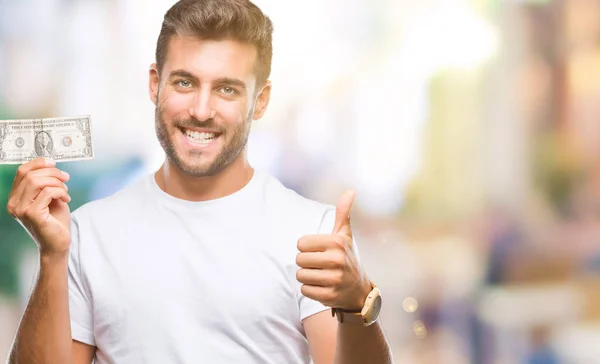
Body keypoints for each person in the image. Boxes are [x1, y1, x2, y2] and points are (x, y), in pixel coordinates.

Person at [5, 0, 393, 363]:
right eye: (185, 83)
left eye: (227, 89)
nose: (201, 110)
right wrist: (52, 256)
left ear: (260, 100)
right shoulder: (87, 234)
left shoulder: (312, 232)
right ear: (155, 84)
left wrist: (358, 303)